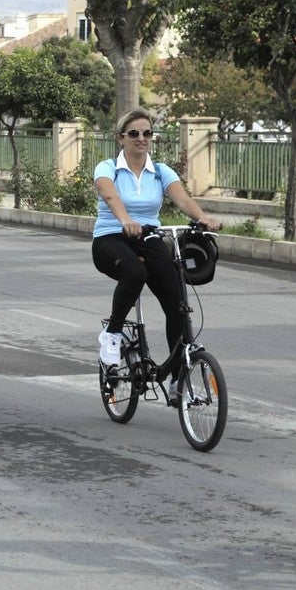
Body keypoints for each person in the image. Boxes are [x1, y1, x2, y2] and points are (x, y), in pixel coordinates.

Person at [92, 107, 220, 394]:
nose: (142, 138)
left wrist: (203, 218)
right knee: (135, 272)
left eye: (147, 133)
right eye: (134, 133)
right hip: (110, 237)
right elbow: (109, 194)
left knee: (178, 304)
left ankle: (177, 378)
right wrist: (125, 220)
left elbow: (183, 199)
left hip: (148, 236)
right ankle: (112, 334)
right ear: (121, 138)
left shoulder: (160, 171)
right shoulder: (108, 167)